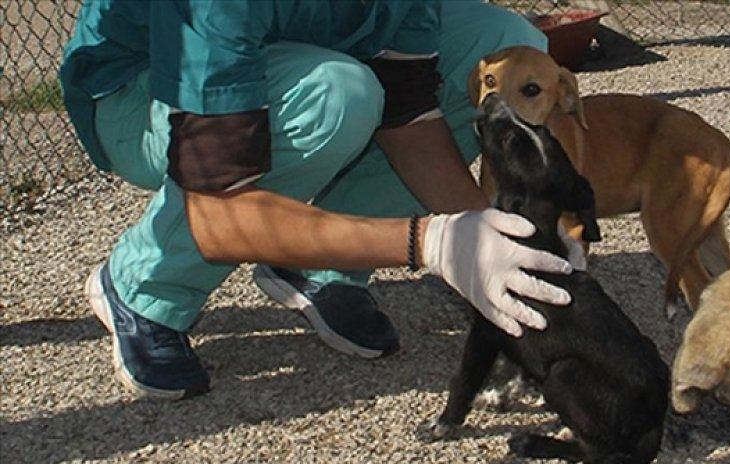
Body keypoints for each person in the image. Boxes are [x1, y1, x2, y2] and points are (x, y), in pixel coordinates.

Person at [59, 0, 585, 400]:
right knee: (337, 96)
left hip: (291, 49)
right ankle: (145, 286)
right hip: (141, 87)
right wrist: (431, 242)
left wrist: (497, 234)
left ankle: (316, 261)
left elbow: (408, 109)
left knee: (500, 44)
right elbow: (216, 210)